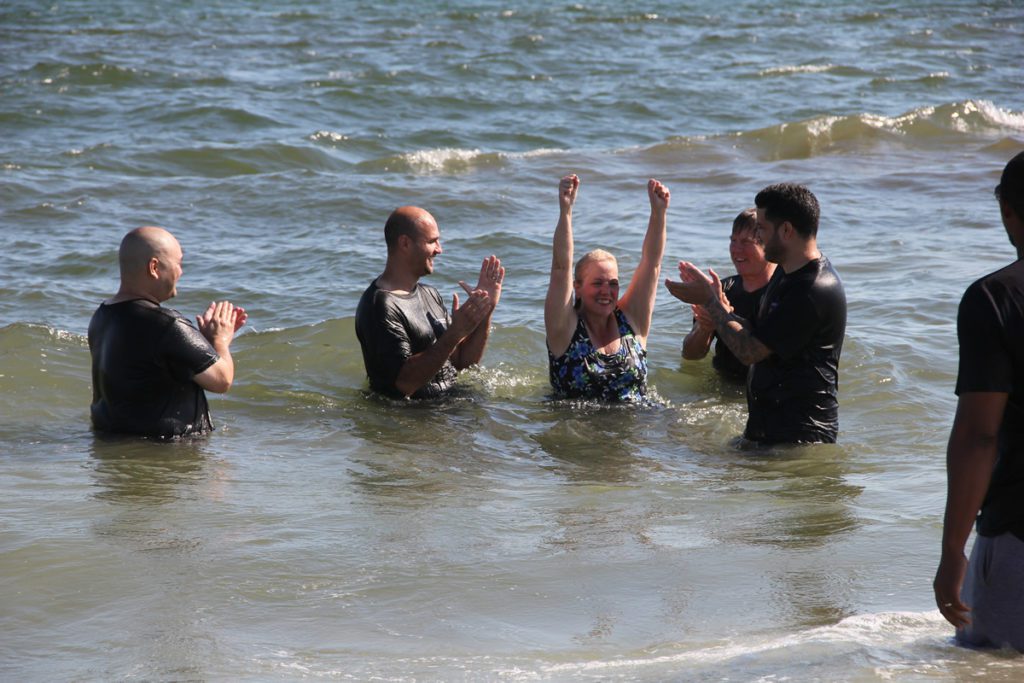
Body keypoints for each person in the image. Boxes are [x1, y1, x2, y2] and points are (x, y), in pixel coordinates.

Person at [665, 183, 846, 443]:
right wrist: (722, 310)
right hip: (769, 432)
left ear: (786, 230)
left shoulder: (811, 288)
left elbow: (750, 351)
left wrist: (711, 303)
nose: (758, 237)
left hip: (799, 440)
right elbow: (761, 335)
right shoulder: (787, 273)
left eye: (761, 229)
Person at [934, 150, 1024, 650]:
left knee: (989, 663)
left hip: (1017, 532)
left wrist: (952, 552)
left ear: (1007, 210)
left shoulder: (995, 298)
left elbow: (978, 434)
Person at [88, 226, 247, 439]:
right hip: (163, 455)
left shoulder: (102, 317)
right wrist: (220, 340)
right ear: (154, 267)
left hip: (113, 447)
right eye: (178, 264)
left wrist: (203, 343)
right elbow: (221, 380)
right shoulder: (166, 324)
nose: (181, 272)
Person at [355, 206, 503, 399]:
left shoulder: (430, 294)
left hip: (448, 407)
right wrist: (455, 332)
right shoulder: (380, 305)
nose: (439, 250)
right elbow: (403, 384)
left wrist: (485, 312)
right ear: (405, 243)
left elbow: (461, 363)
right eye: (432, 241)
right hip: (415, 418)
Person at [545, 174, 670, 401]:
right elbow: (561, 268)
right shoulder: (564, 328)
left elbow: (652, 264)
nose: (607, 291)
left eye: (613, 284)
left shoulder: (632, 321)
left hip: (636, 430)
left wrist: (659, 213)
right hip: (580, 431)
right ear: (578, 288)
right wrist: (566, 211)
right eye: (597, 283)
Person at [670, 208, 776, 380]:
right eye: (733, 241)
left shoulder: (783, 292)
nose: (736, 249)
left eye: (745, 242)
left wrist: (722, 314)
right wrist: (705, 328)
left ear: (768, 245)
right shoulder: (723, 288)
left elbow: (757, 352)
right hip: (722, 388)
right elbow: (691, 354)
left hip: (768, 394)